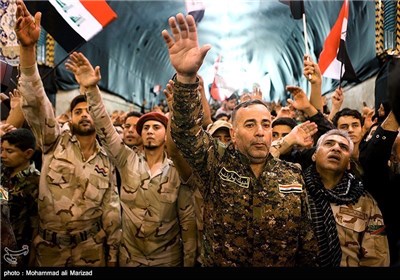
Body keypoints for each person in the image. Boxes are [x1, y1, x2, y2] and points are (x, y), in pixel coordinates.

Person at [162, 13, 318, 266]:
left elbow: (306, 239)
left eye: (266, 124)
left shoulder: (292, 174)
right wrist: (186, 78)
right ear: (233, 134)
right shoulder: (216, 164)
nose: (260, 132)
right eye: (250, 124)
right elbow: (186, 133)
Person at [65, 51, 197, 267]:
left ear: (166, 134)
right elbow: (105, 129)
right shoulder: (127, 160)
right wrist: (90, 90)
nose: (150, 131)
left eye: (156, 127)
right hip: (130, 258)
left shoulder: (177, 171)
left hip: (168, 260)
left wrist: (189, 262)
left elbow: (187, 222)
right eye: (145, 128)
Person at [14, 0, 121, 267]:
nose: (85, 114)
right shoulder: (53, 142)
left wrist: (114, 252)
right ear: (70, 118)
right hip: (49, 252)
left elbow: (111, 207)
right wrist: (28, 51)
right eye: (78, 111)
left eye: (89, 111)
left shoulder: (107, 159)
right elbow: (36, 104)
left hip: (91, 252)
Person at [304, 129, 389, 266]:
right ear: (314, 155)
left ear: (349, 163)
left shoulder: (366, 203)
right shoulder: (296, 193)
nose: (336, 148)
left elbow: (377, 257)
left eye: (343, 147)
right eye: (329, 143)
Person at [1, 128, 40, 266]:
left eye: (9, 151)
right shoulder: (3, 174)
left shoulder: (35, 183)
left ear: (28, 153)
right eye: (2, 150)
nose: (3, 155)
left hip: (16, 253)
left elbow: (36, 226)